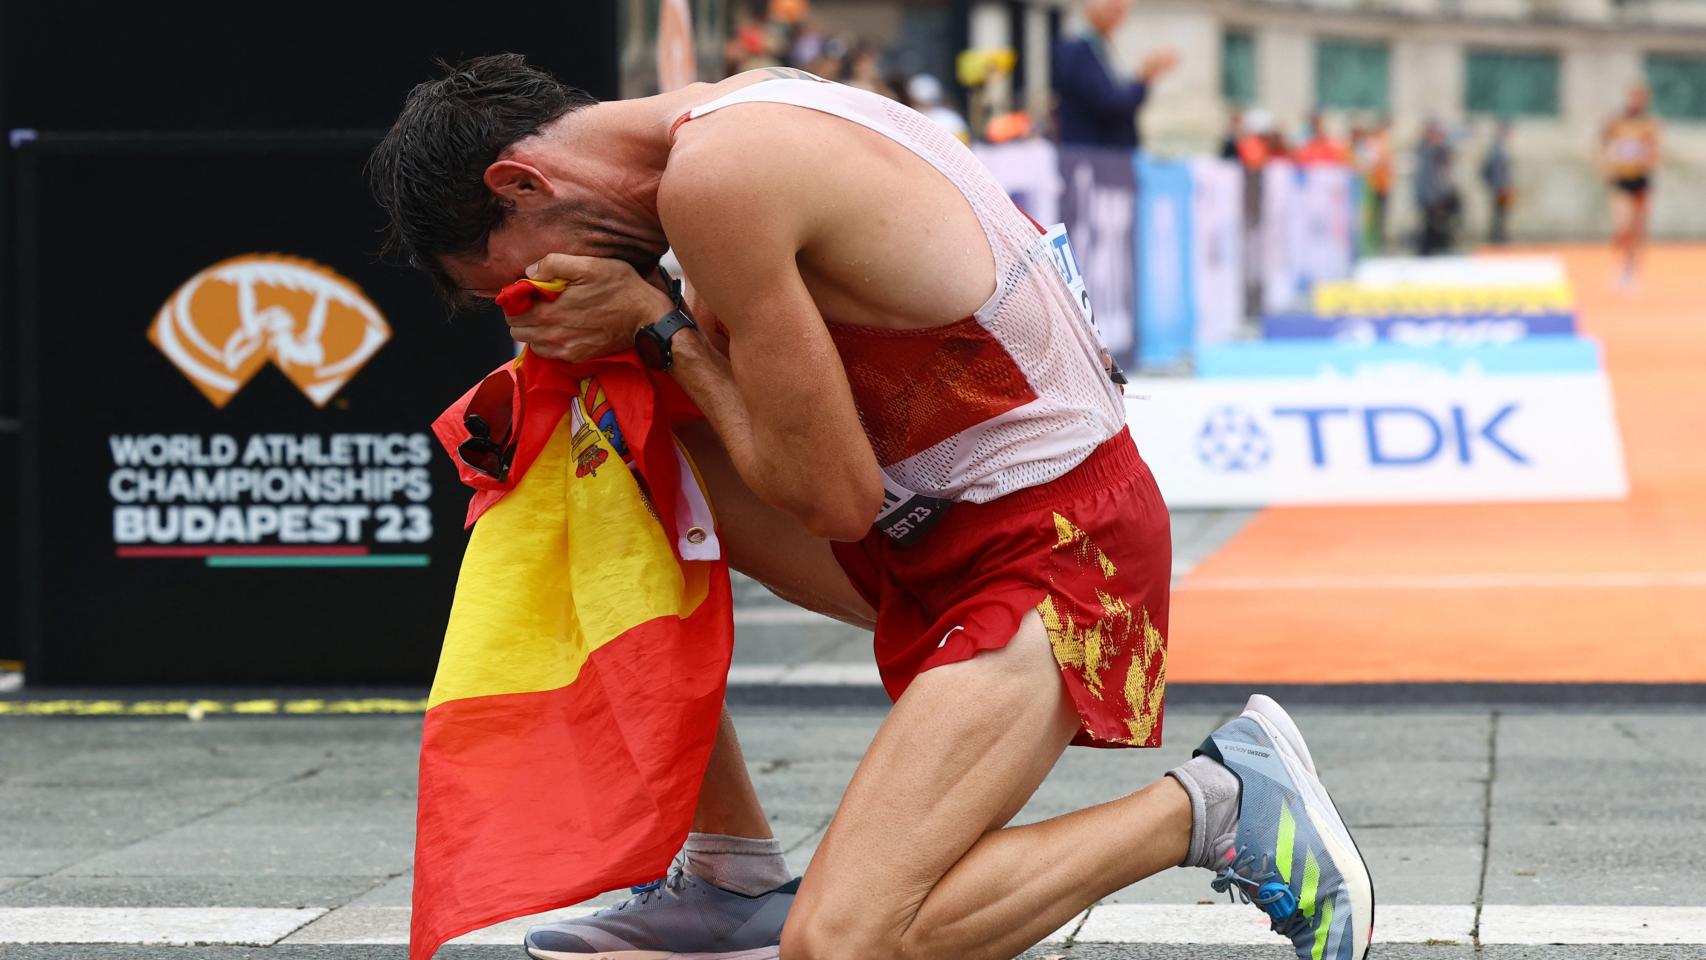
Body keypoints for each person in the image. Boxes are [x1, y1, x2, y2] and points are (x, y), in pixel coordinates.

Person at [371, 54, 1373, 960]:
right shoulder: (733, 113)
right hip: (944, 525)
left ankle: (1215, 803)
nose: (553, 287)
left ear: (519, 184)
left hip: (1063, 555)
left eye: (529, 275)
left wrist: (653, 327)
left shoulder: (721, 175)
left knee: (846, 945)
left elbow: (836, 501)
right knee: (596, 434)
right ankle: (728, 874)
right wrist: (618, 349)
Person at [1051, 0, 1178, 147]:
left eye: (1122, 10)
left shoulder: (1101, 49)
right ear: (1091, 10)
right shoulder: (1077, 52)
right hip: (1093, 155)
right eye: (1113, 9)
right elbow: (1110, 106)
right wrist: (1144, 78)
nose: (1118, 16)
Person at [1601, 84, 1660, 287]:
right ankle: (1623, 259)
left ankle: (1630, 268)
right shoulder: (1616, 121)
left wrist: (1648, 158)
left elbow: (1655, 150)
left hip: (1641, 179)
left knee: (1637, 229)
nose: (1637, 101)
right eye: (1634, 97)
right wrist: (1606, 167)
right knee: (1622, 226)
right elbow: (1603, 143)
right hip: (1622, 179)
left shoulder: (1649, 123)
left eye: (1641, 98)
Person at [1415, 118, 1458, 256]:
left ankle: (1436, 247)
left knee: (1438, 223)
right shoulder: (1426, 150)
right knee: (1430, 224)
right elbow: (1427, 178)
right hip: (1430, 195)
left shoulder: (1437, 150)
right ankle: (1428, 249)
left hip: (1436, 194)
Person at [1480, 119, 1514, 245]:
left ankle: (1500, 238)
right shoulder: (1495, 149)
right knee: (1498, 214)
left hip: (1503, 188)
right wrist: (1493, 184)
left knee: (1502, 214)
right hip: (1499, 188)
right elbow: (1486, 169)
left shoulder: (1502, 148)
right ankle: (1496, 240)